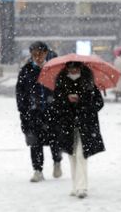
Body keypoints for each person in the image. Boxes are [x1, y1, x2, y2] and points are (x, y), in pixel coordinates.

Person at [52, 62, 105, 198]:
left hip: (86, 125)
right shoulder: (61, 82)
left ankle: (82, 187)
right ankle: (75, 186)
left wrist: (82, 103)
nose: (74, 71)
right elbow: (55, 104)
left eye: (76, 68)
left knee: (82, 155)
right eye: (71, 68)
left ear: (80, 68)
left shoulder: (89, 82)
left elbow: (99, 103)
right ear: (67, 69)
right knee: (72, 156)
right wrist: (66, 99)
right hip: (67, 125)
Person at [16, 41, 62, 182]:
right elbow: (20, 93)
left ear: (46, 53)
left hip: (52, 112)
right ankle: (37, 170)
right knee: (35, 143)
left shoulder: (54, 69)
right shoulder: (26, 70)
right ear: (31, 55)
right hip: (33, 113)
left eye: (41, 53)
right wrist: (23, 110)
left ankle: (57, 162)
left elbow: (61, 89)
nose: (38, 57)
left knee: (55, 141)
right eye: (35, 54)